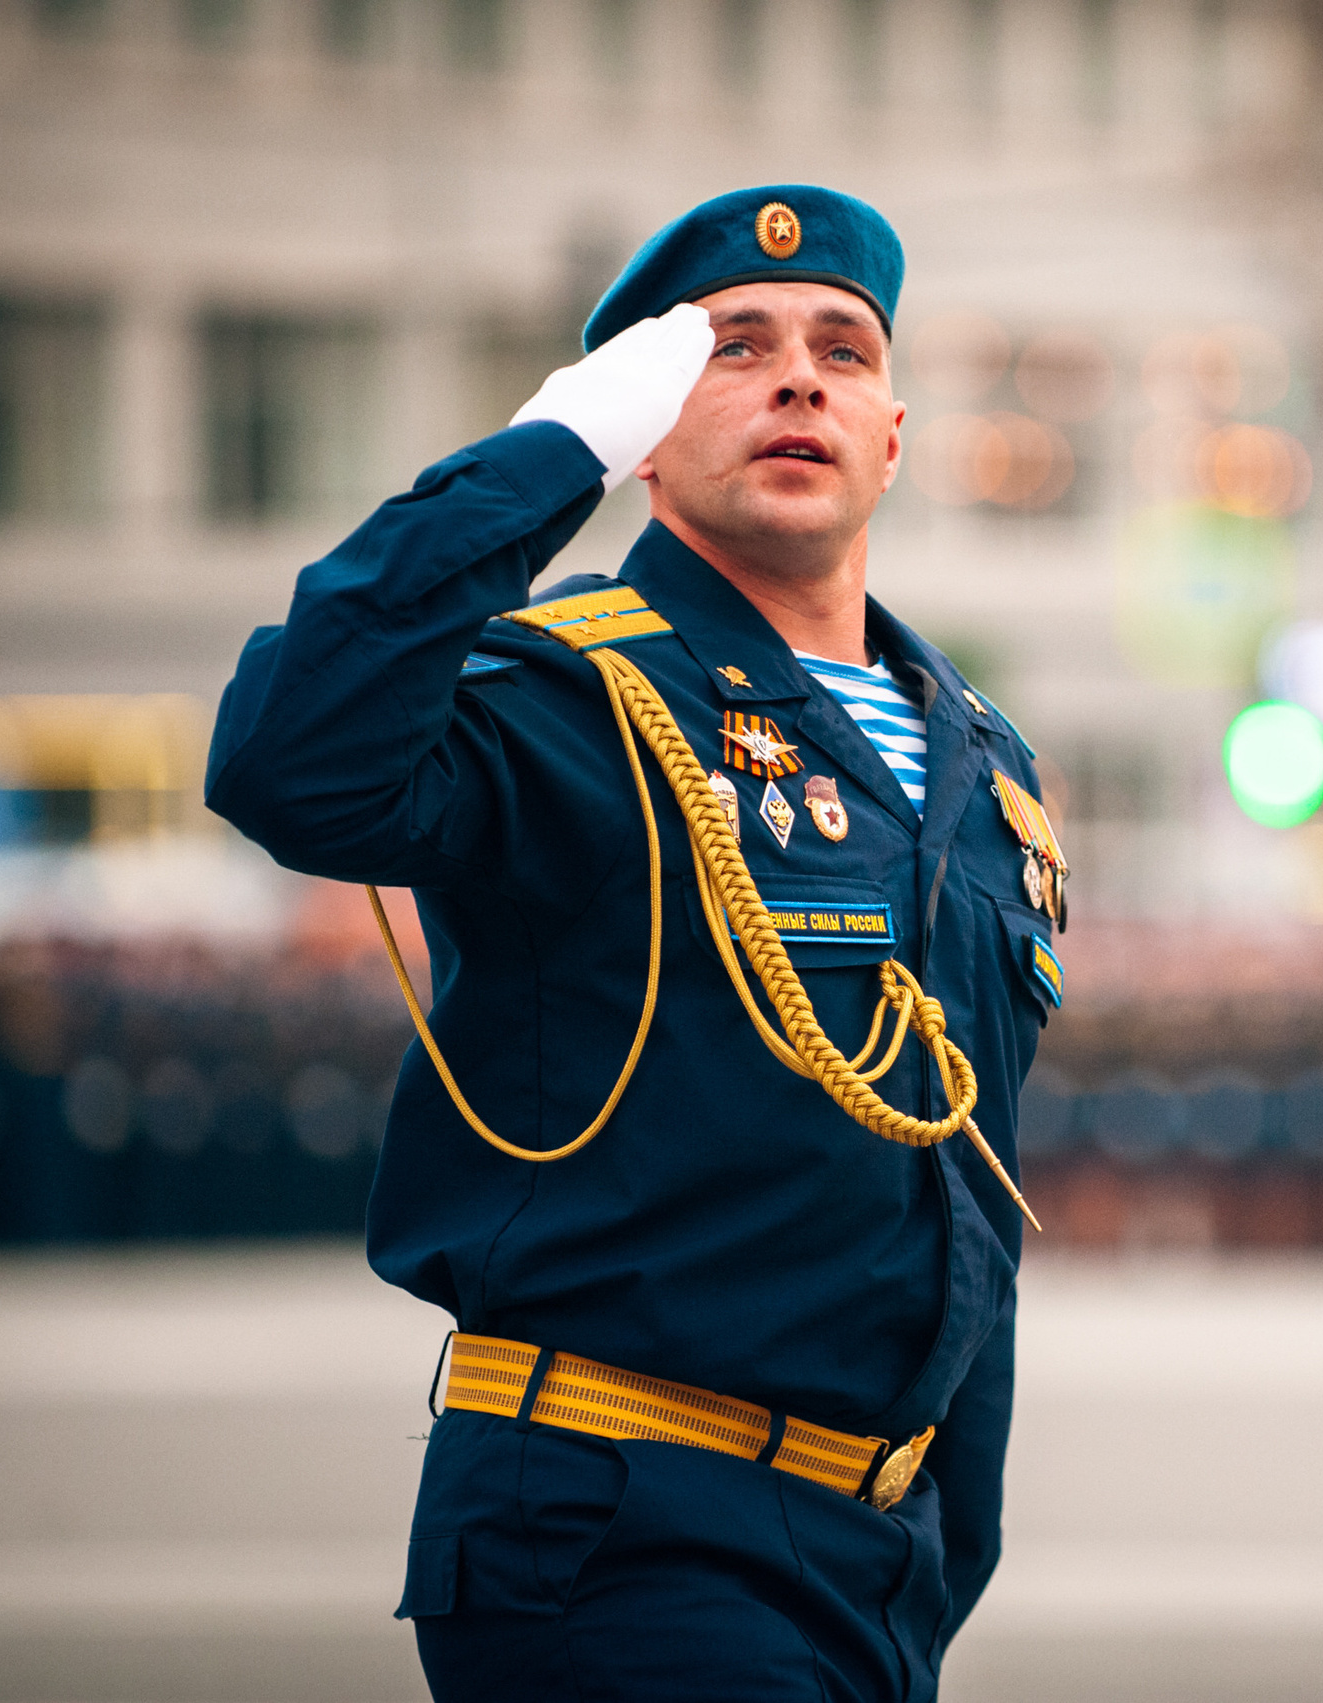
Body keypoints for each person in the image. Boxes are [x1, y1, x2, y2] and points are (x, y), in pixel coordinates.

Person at [206, 184, 1065, 1702]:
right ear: (646, 429)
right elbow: (294, 761)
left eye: (843, 350)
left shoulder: (983, 764)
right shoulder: (564, 698)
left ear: (893, 434)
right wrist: (545, 456)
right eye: (736, 346)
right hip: (618, 1525)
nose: (800, 374)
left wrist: (948, 1522)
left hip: (879, 1547)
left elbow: (962, 1181)